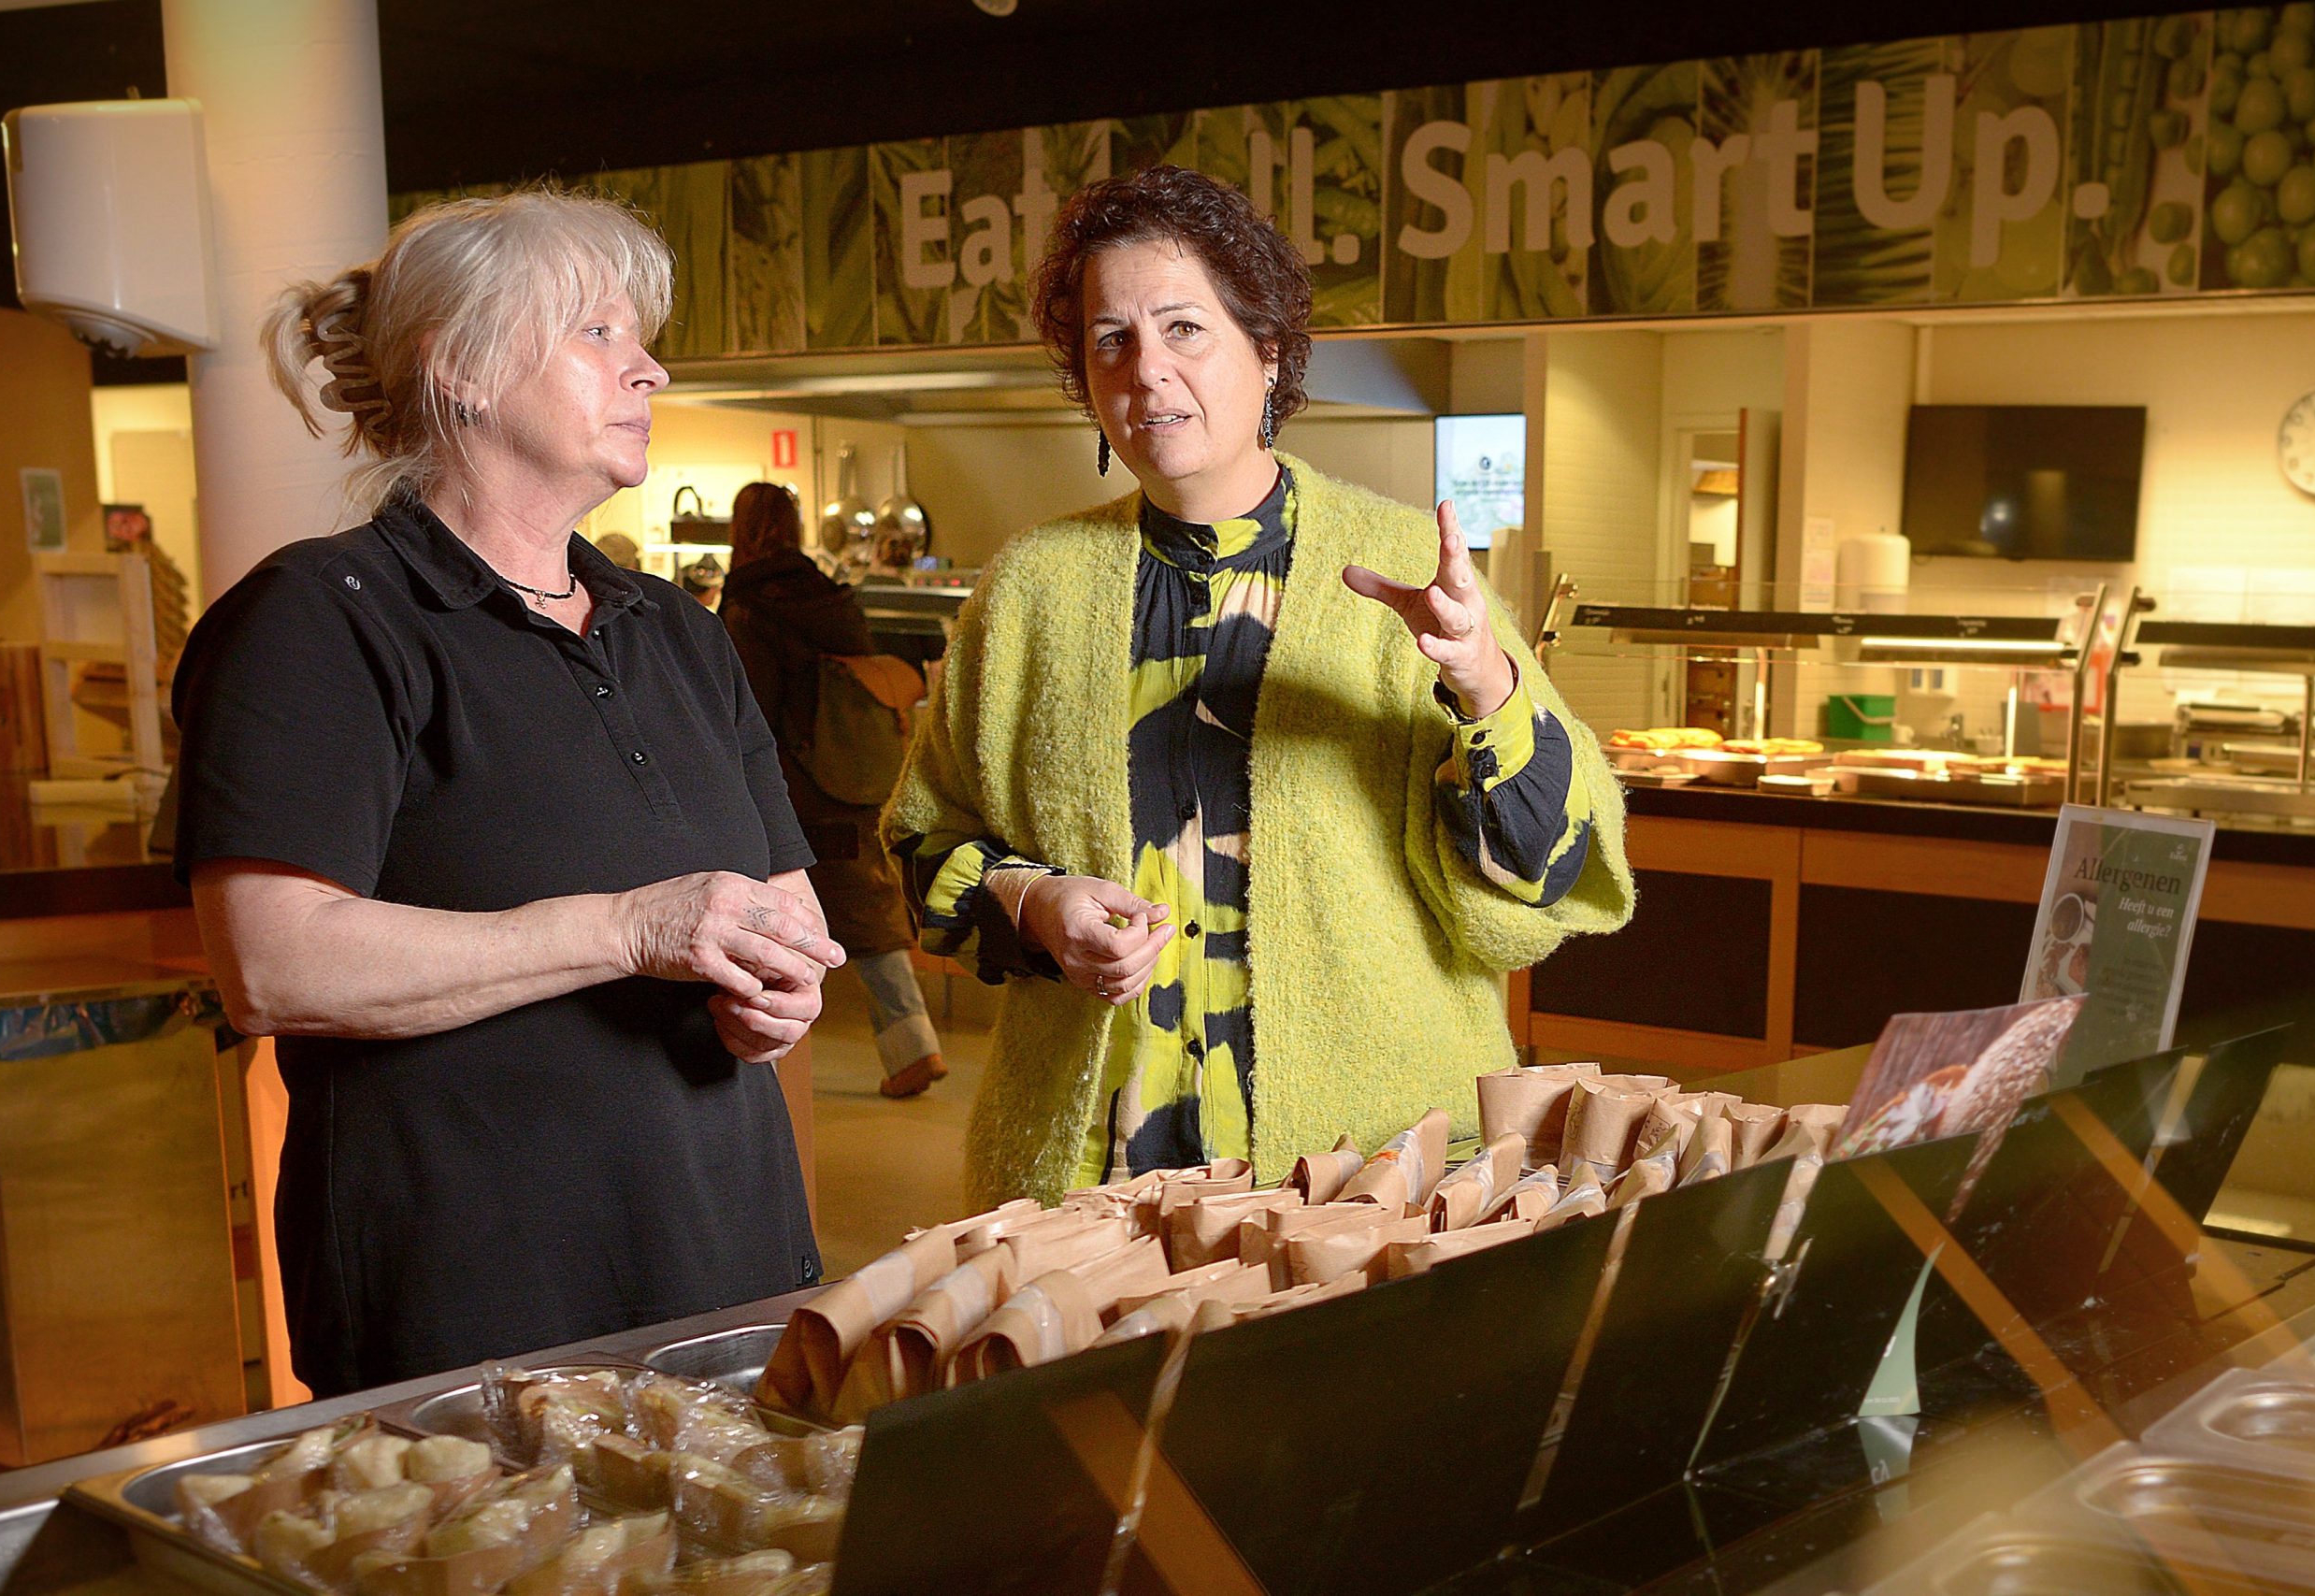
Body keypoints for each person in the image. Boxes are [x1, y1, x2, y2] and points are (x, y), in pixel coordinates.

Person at [172, 188, 845, 1397]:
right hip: (473, 1315)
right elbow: (271, 964)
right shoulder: (325, 620)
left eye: (642, 337)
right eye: (599, 331)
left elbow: (783, 907)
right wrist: (627, 928)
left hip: (725, 1279)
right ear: (463, 368)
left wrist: (776, 991)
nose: (649, 368)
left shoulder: (680, 632)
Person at [883, 166, 1635, 1209]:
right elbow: (923, 843)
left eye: (1184, 329)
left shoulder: (1400, 566)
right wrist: (1036, 902)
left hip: (1366, 1183)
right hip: (1090, 1190)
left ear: (1268, 350)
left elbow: (1540, 889)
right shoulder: (1029, 590)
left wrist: (1485, 686)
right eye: (1111, 339)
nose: (1147, 370)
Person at [721, 481, 949, 1099]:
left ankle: (769, 1068)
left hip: (789, 784)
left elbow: (749, 712)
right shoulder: (829, 597)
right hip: (850, 777)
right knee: (868, 908)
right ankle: (914, 1046)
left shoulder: (747, 608)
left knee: (767, 917)